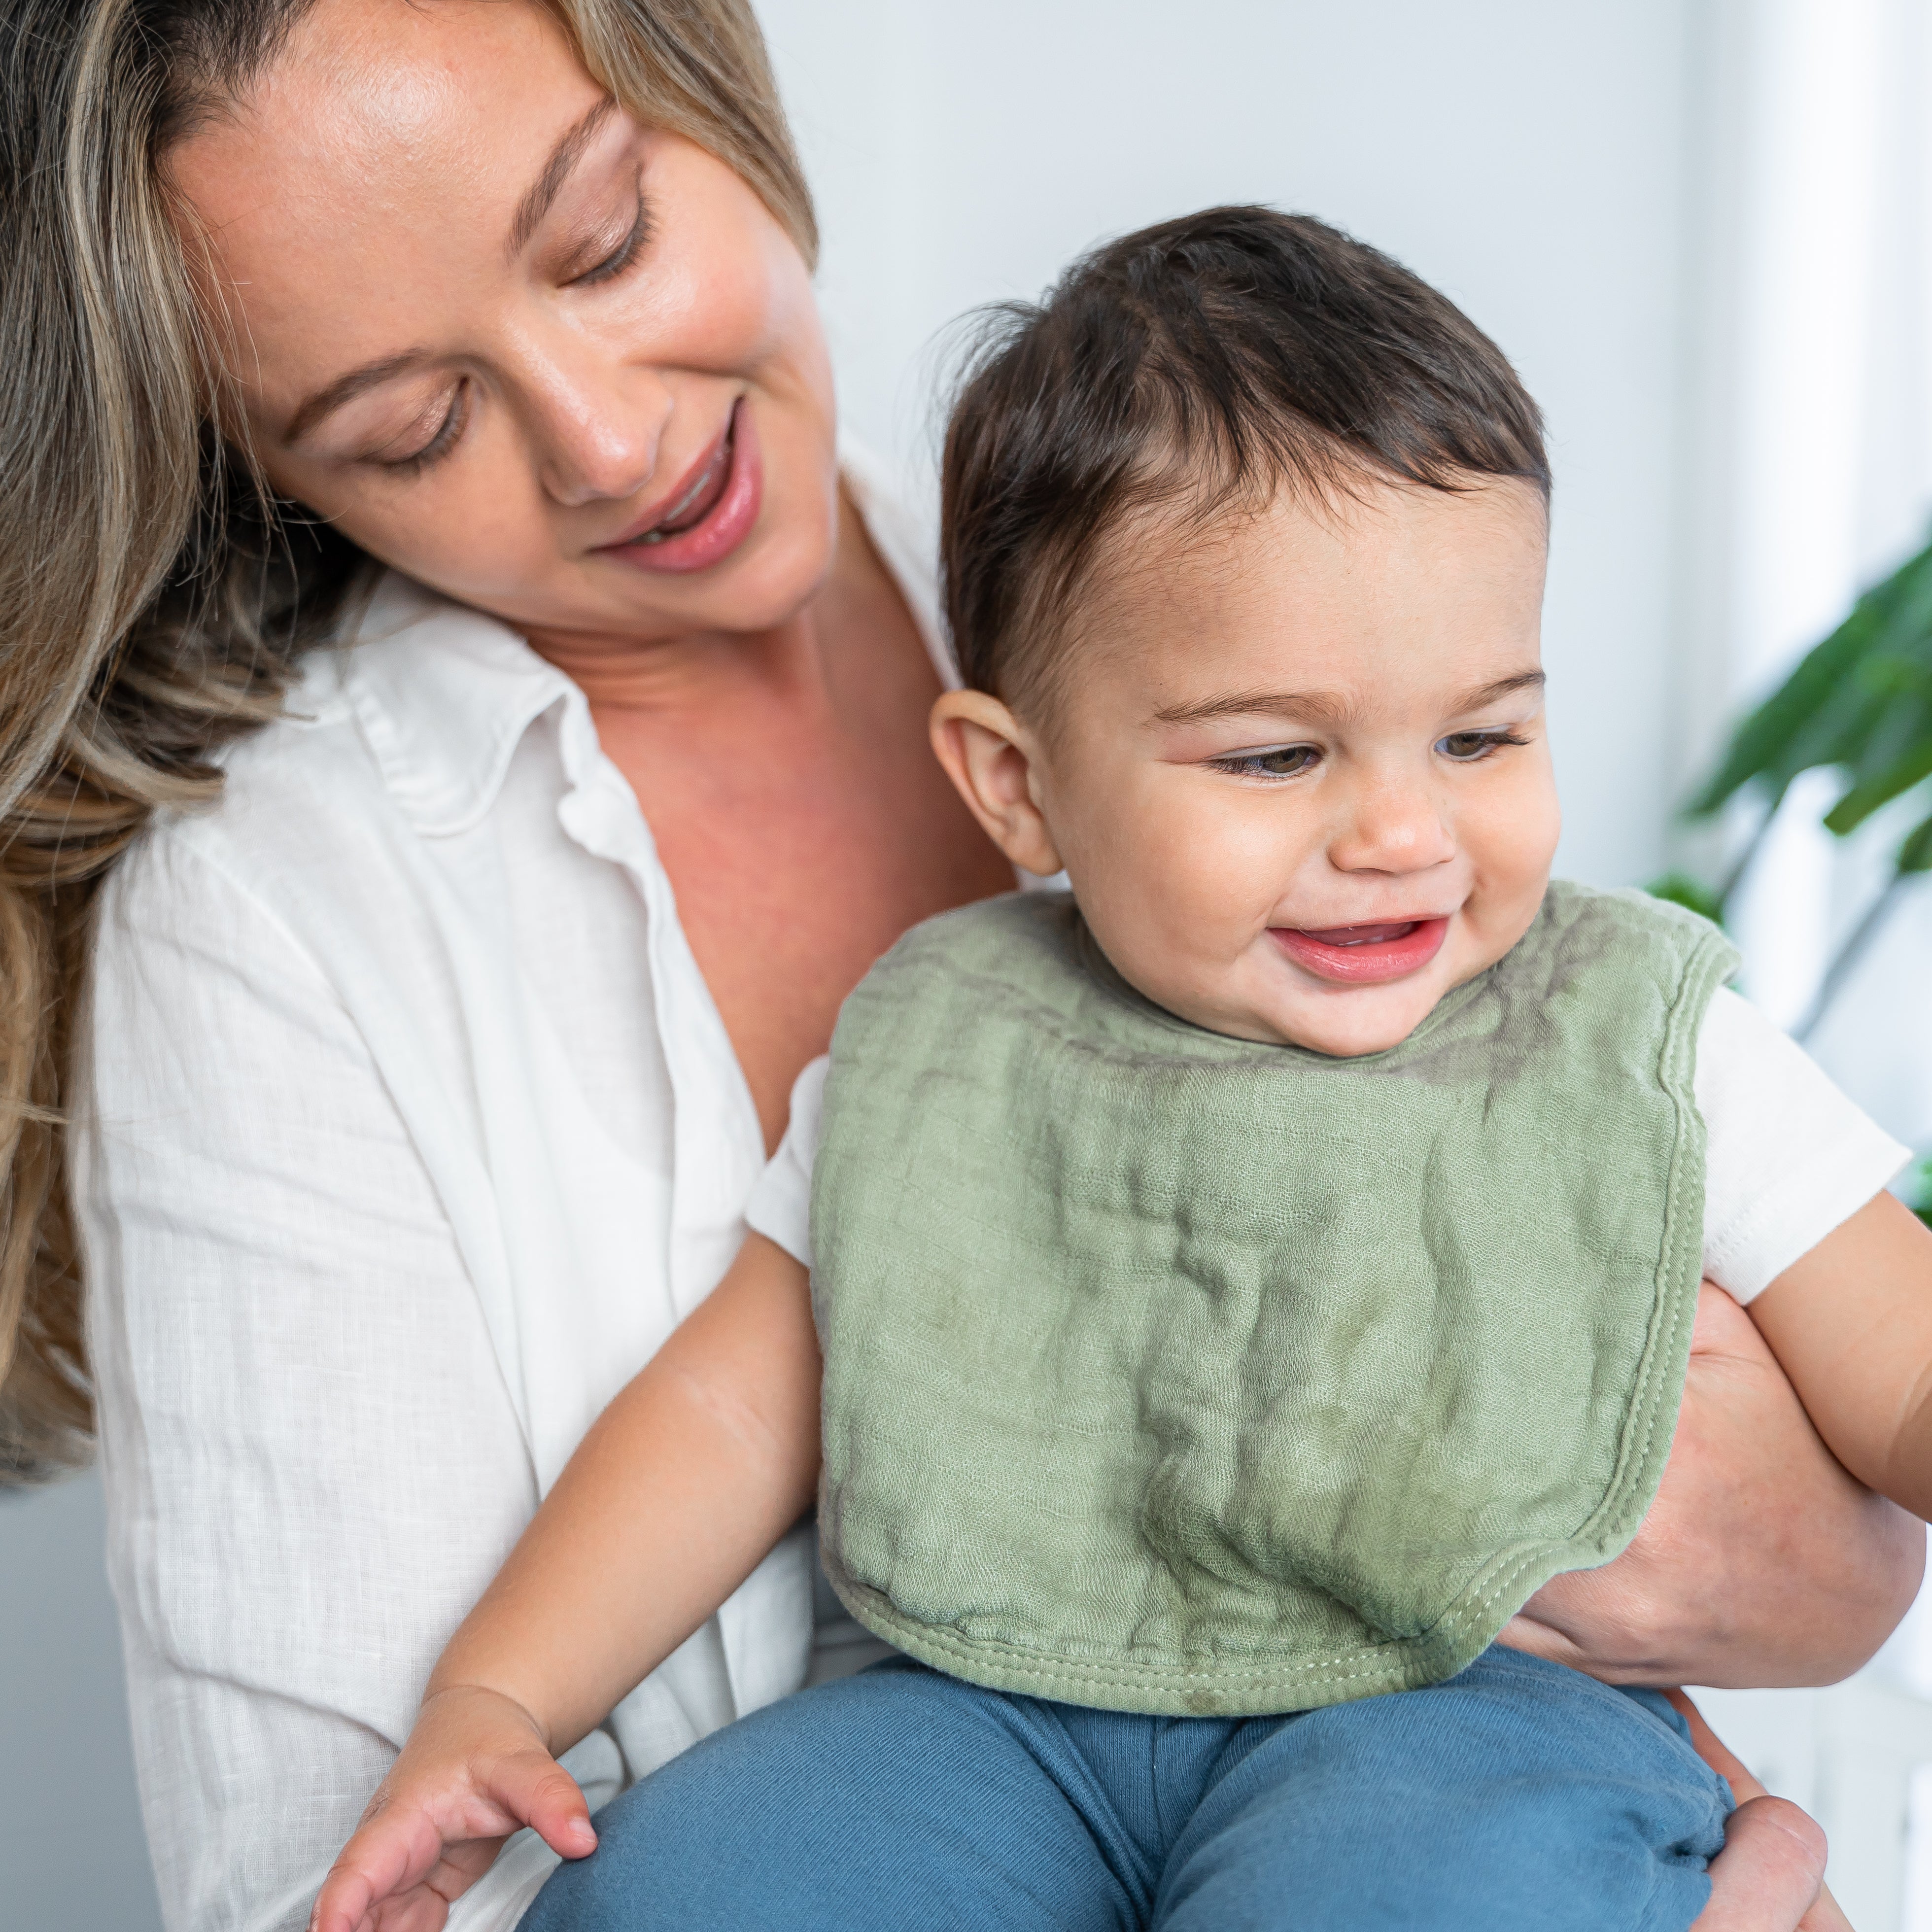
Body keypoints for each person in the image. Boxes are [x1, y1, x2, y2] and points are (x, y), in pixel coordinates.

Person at [0, 0, 1908, 1923]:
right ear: (1014, 784)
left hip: (1430, 1721)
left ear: (706, 83)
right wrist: (498, 1691)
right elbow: (740, 1405)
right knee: (692, 1878)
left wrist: (1825, 1576)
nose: (603, 437)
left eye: (604, 239)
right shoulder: (906, 1018)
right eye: (413, 424)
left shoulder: (1582, 976)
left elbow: (1876, 1366)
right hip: (993, 1718)